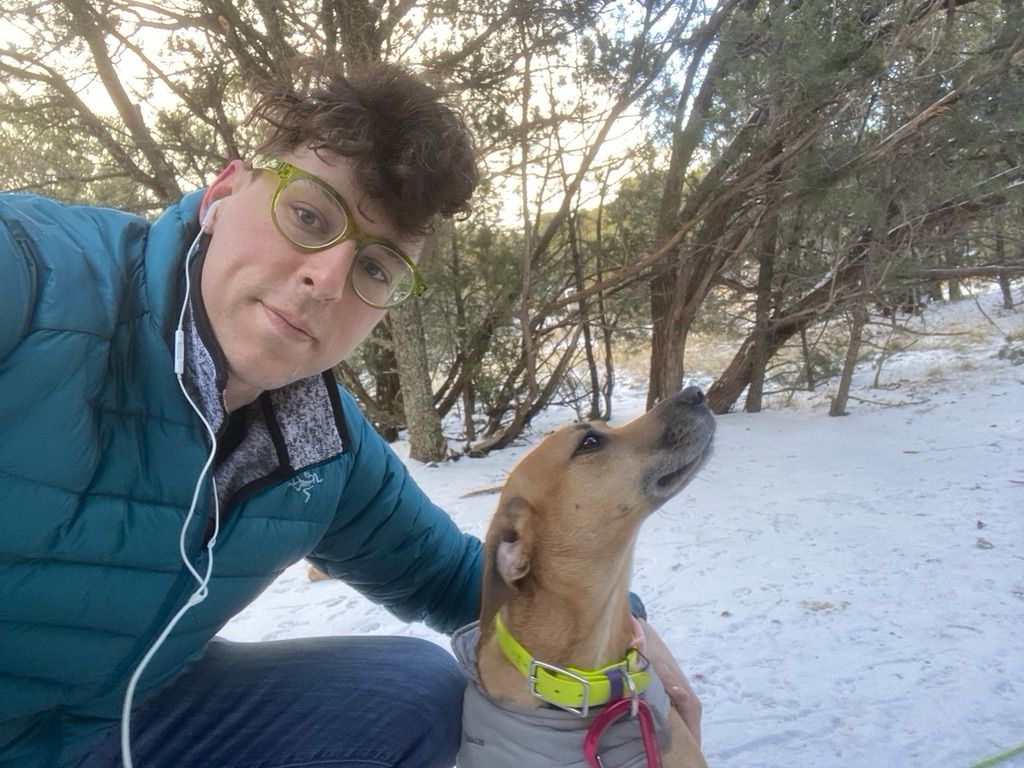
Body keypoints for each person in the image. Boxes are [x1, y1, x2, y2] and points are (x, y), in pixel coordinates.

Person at [0, 60, 700, 768]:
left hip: (118, 719)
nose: (327, 279)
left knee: (417, 693)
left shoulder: (319, 443)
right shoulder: (37, 278)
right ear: (221, 192)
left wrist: (629, 634)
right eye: (307, 215)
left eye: (375, 269)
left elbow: (453, 578)